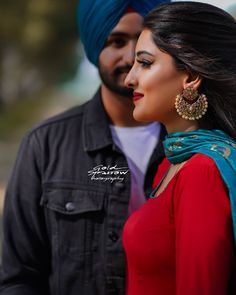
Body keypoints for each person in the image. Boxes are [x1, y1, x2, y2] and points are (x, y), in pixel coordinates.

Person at [0, 0, 169, 294]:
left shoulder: (197, 144)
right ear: (94, 47)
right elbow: (18, 276)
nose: (130, 56)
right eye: (116, 41)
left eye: (145, 41)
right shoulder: (45, 145)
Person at [123, 2, 236, 294]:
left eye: (145, 63)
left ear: (190, 77)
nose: (129, 78)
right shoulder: (171, 163)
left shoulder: (202, 173)